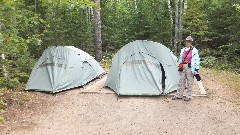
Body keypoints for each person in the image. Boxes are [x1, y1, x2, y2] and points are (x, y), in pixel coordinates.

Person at [172, 36, 200, 101]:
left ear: (191, 42)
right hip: (183, 66)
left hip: (190, 67)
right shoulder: (183, 50)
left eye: (189, 41)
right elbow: (180, 59)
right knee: (181, 81)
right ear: (185, 42)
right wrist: (179, 65)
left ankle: (188, 96)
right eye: (187, 41)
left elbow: (197, 60)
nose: (188, 42)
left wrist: (196, 68)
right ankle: (179, 95)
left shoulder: (194, 50)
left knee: (190, 82)